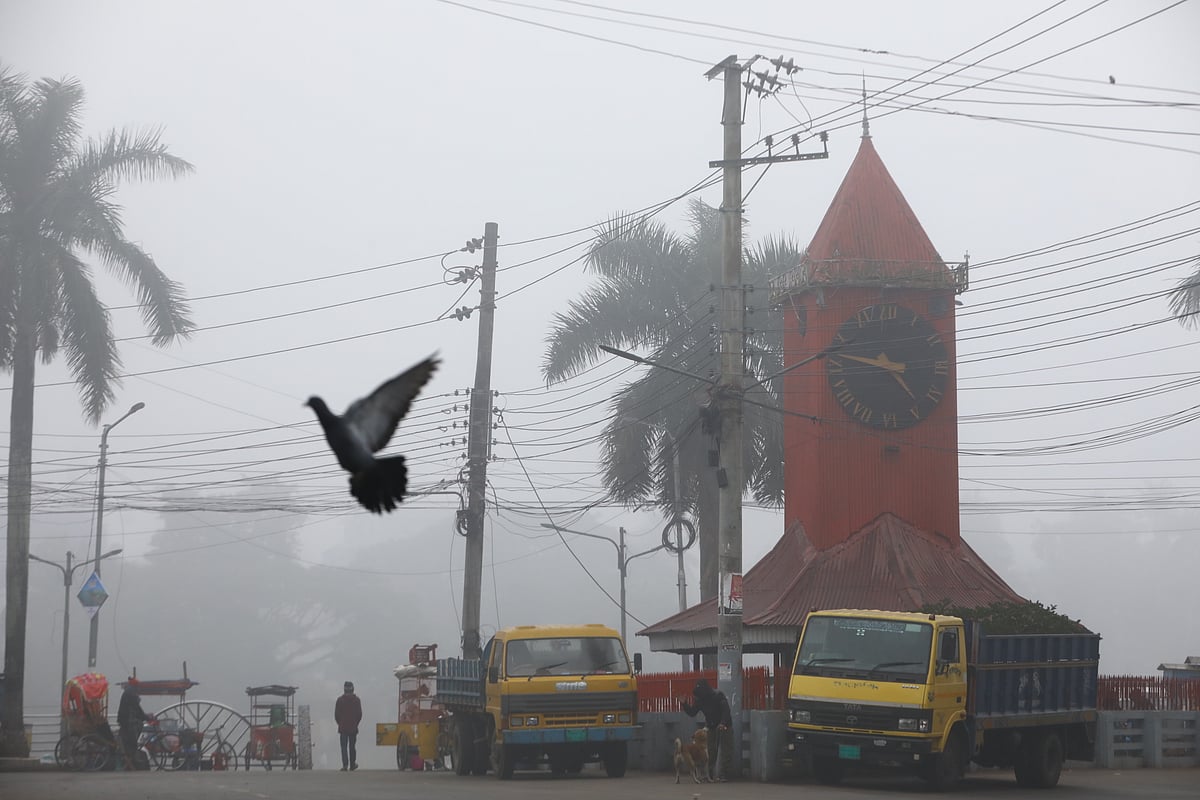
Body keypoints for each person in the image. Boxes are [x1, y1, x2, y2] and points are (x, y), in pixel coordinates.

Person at [680, 678, 733, 781]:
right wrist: (684, 704)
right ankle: (709, 775)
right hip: (711, 726)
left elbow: (726, 710)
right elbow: (692, 712)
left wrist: (722, 723)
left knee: (726, 750)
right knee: (710, 751)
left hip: (725, 724)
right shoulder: (699, 700)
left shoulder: (718, 695)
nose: (698, 696)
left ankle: (724, 774)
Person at [116, 679, 153, 769]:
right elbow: (137, 709)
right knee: (132, 739)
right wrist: (146, 717)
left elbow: (136, 709)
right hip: (127, 721)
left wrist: (144, 716)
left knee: (131, 738)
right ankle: (133, 757)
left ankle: (131, 756)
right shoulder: (131, 693)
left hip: (124, 720)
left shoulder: (128, 691)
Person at [334, 681, 363, 771]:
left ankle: (345, 765)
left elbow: (336, 715)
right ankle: (352, 764)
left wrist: (340, 723)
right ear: (353, 689)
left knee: (343, 747)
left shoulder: (340, 700)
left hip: (343, 727)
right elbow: (359, 714)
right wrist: (355, 723)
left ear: (344, 689)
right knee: (352, 746)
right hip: (353, 727)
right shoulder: (357, 700)